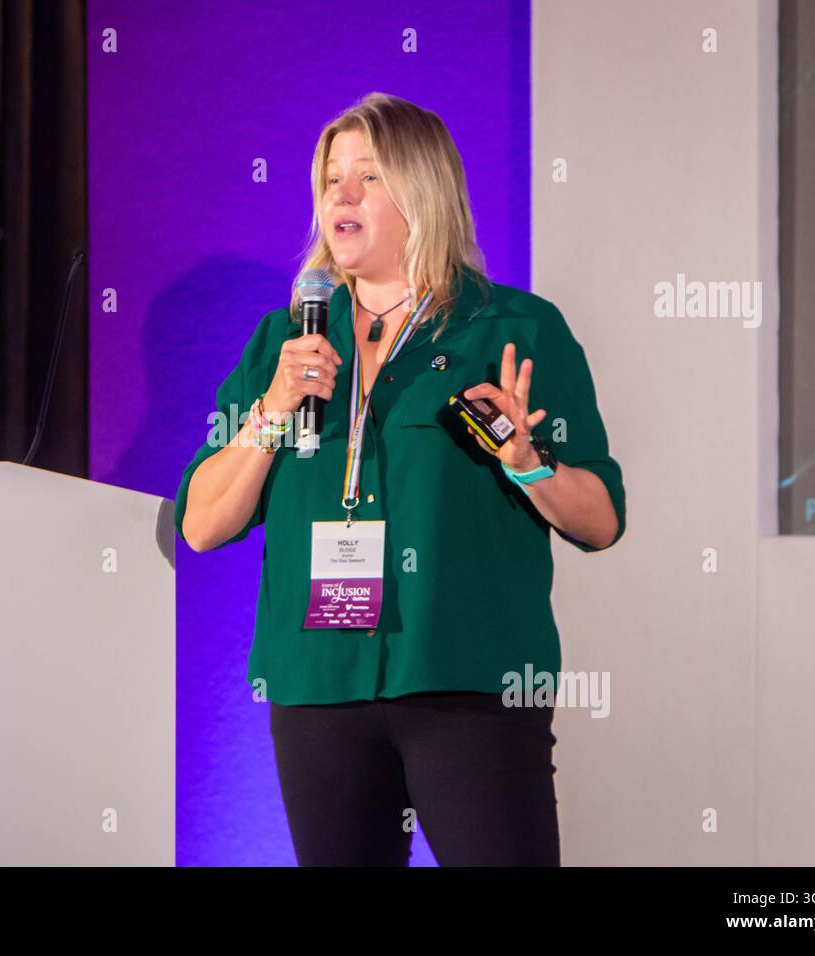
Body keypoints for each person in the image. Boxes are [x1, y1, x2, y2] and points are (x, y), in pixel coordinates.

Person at [173, 92, 626, 866]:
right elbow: (202, 523)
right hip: (318, 686)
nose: (340, 196)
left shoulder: (516, 329)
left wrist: (528, 462)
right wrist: (274, 409)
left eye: (368, 177)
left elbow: (600, 521)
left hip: (468, 684)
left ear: (424, 192)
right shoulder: (283, 340)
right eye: (329, 180)